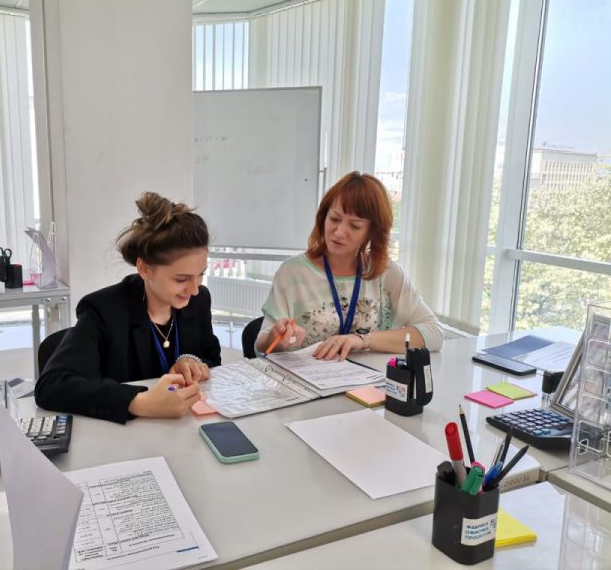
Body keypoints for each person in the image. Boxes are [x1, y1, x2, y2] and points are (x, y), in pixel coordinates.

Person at [35, 192, 221, 423]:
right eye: (181, 279)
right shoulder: (104, 310)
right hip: (124, 436)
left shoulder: (199, 300)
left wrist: (191, 361)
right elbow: (52, 385)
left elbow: (212, 359)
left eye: (201, 274)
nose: (194, 289)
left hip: (185, 429)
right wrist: (140, 402)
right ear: (144, 269)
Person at [255, 171, 443, 359]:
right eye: (334, 219)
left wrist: (363, 339)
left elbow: (434, 333)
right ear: (323, 217)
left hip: (367, 377)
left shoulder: (386, 273)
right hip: (303, 376)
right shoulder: (292, 272)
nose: (339, 232)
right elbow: (262, 345)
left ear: (371, 232)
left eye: (355, 226)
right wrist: (275, 338)